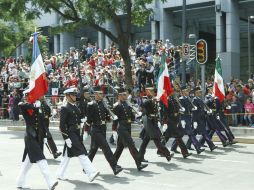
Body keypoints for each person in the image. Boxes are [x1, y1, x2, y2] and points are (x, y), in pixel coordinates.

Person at [16, 89, 58, 190]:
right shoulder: (24, 104)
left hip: (38, 136)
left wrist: (45, 136)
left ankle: (19, 181)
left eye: (30, 96)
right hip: (30, 136)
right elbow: (22, 105)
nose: (28, 98)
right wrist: (35, 105)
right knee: (41, 158)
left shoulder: (38, 106)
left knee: (28, 162)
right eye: (27, 96)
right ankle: (50, 181)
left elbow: (42, 123)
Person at [57, 87, 99, 182]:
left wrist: (81, 120)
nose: (75, 96)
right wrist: (66, 138)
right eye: (73, 95)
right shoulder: (65, 108)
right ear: (67, 96)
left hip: (76, 133)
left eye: (75, 95)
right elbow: (62, 126)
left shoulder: (75, 106)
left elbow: (77, 118)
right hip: (71, 134)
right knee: (82, 153)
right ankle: (90, 173)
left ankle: (60, 173)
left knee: (67, 155)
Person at [83, 86, 123, 175]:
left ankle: (86, 168)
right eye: (100, 93)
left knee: (93, 149)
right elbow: (89, 120)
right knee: (106, 147)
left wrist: (111, 118)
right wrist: (86, 131)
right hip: (95, 129)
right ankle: (114, 167)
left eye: (102, 93)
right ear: (96, 94)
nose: (102, 95)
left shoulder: (103, 104)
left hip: (102, 129)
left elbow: (106, 117)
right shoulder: (91, 105)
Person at [112, 87, 148, 171]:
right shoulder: (117, 106)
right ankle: (138, 163)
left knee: (120, 148)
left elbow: (131, 117)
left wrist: (137, 115)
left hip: (128, 127)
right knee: (131, 144)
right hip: (122, 127)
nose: (126, 96)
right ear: (119, 96)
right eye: (124, 95)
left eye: (126, 94)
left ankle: (113, 163)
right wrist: (114, 130)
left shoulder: (127, 104)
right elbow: (115, 119)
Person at [139, 85, 174, 162]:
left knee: (145, 141)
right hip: (149, 123)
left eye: (153, 91)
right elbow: (141, 109)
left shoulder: (154, 100)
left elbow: (157, 110)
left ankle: (140, 157)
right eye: (150, 91)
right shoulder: (146, 100)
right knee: (157, 139)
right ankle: (167, 154)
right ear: (147, 92)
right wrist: (151, 101)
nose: (153, 93)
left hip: (153, 122)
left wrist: (158, 121)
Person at [160, 93, 192, 159]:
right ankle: (185, 152)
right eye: (171, 91)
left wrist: (180, 110)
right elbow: (164, 112)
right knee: (178, 136)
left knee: (167, 137)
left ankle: (160, 150)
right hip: (170, 121)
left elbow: (176, 108)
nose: (173, 92)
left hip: (175, 120)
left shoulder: (174, 99)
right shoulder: (167, 100)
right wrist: (165, 122)